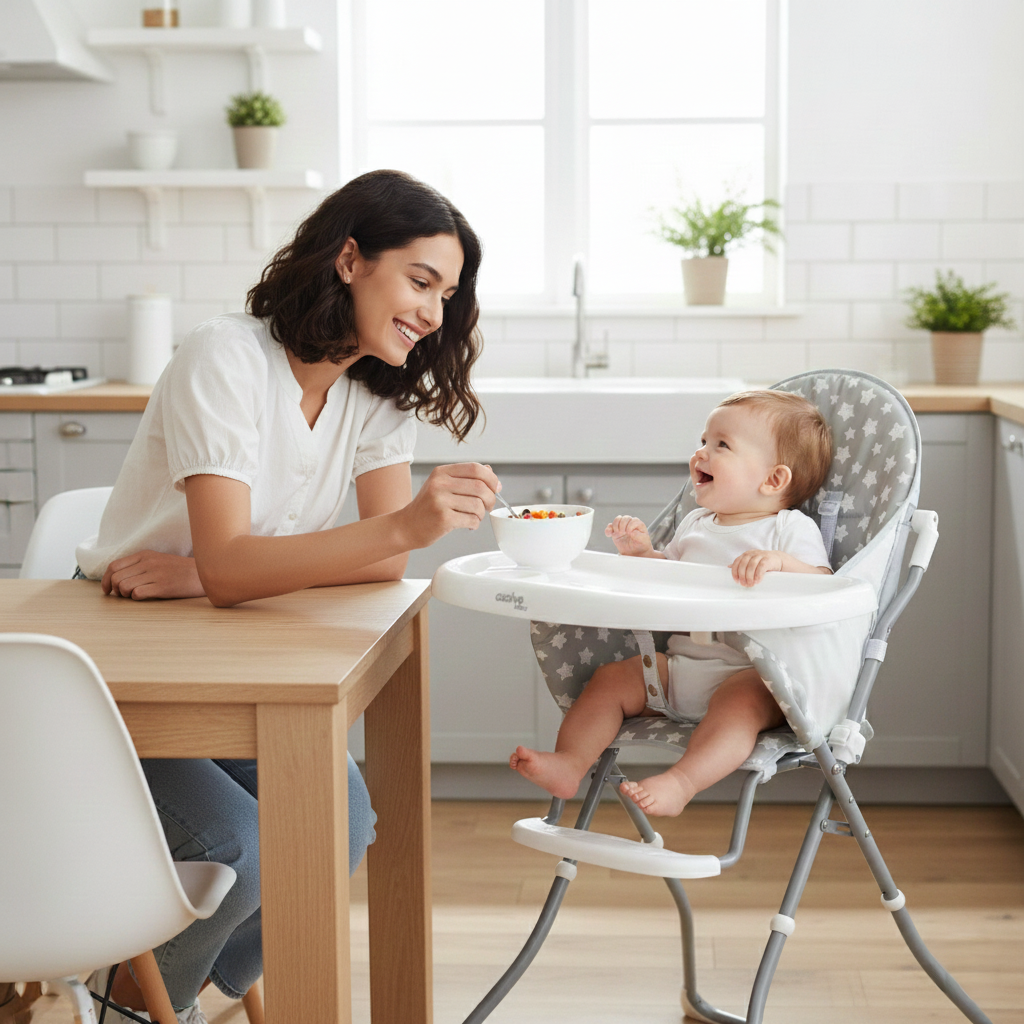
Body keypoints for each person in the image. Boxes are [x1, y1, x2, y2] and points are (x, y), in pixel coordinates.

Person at [73, 169, 500, 1024]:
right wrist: (230, 569)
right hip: (116, 675)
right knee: (248, 845)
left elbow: (376, 562)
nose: (433, 312)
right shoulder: (225, 357)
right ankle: (137, 1003)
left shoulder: (376, 391)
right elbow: (358, 544)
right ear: (349, 259)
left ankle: (159, 991)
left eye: (447, 294)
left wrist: (201, 573)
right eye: (420, 281)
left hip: (224, 651)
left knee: (341, 824)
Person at [509, 390, 833, 817]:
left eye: (721, 445)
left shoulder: (788, 529)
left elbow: (826, 587)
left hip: (751, 675)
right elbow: (667, 574)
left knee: (740, 706)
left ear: (773, 480)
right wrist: (643, 555)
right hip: (679, 667)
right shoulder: (696, 523)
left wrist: (780, 563)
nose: (701, 453)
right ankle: (571, 763)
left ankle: (682, 782)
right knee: (609, 681)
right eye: (703, 440)